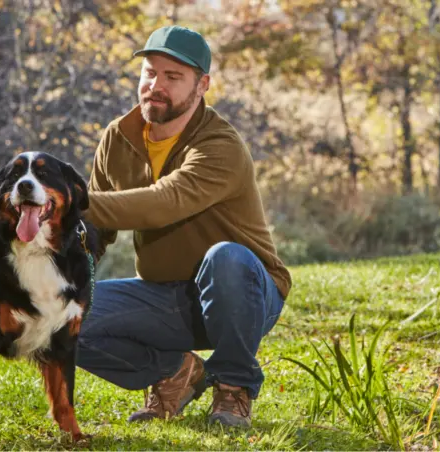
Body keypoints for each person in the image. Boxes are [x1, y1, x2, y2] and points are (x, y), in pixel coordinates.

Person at [77, 24, 291, 430]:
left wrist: (70, 203)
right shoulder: (117, 139)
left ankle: (233, 387)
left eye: (173, 77)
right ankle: (174, 372)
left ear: (202, 85)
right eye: (150, 72)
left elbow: (164, 203)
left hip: (243, 295)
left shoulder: (219, 145)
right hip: (166, 298)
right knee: (58, 318)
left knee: (226, 257)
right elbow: (95, 229)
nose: (156, 85)